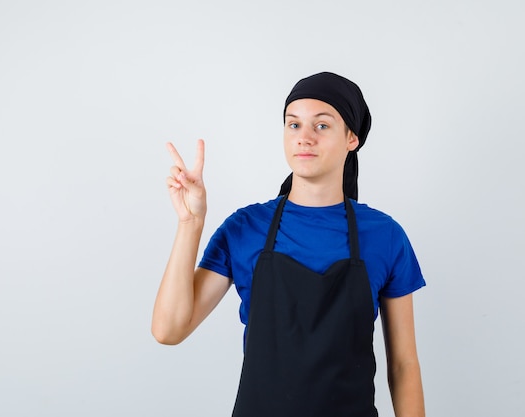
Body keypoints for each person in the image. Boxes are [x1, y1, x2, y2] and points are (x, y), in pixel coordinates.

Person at [152, 72, 426, 417]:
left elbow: (403, 365)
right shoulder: (245, 229)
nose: (304, 138)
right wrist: (190, 224)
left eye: (322, 126)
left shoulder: (385, 236)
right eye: (293, 125)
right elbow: (168, 330)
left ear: (352, 138)